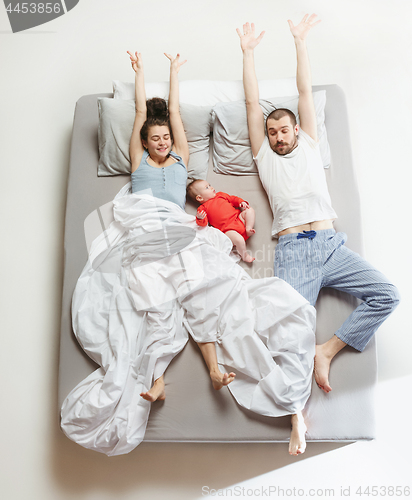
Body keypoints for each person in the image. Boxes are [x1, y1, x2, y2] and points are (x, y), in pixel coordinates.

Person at [238, 15, 400, 394]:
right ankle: (296, 411)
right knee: (287, 332)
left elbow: (305, 92)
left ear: (297, 129)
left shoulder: (310, 143)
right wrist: (247, 54)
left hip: (331, 246)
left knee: (387, 295)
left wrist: (299, 41)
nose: (278, 137)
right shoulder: (265, 156)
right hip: (293, 251)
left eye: (284, 130)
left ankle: (327, 350)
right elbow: (250, 103)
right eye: (272, 132)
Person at [127, 50, 236, 402]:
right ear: (144, 142)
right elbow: (142, 112)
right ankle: (156, 381)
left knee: (197, 293)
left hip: (176, 229)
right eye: (155, 138)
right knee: (156, 305)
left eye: (165, 138)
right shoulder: (138, 160)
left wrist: (173, 72)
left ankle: (215, 371)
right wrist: (140, 72)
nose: (162, 142)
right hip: (146, 230)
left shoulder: (180, 159)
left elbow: (173, 113)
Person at [187, 179, 256, 262]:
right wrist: (200, 218)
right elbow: (203, 224)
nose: (211, 187)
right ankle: (245, 255)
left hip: (239, 219)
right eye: (207, 188)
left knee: (250, 210)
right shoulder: (202, 208)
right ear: (199, 197)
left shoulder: (220, 195)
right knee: (238, 240)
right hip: (228, 230)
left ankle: (248, 228)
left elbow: (232, 199)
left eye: (210, 185)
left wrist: (241, 202)